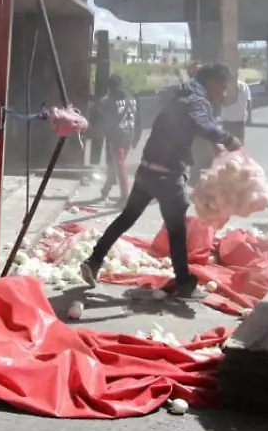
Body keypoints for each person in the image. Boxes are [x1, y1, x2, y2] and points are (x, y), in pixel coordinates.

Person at [79, 62, 242, 300]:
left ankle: (93, 260)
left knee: (126, 218)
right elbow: (202, 122)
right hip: (168, 176)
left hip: (147, 171)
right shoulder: (197, 101)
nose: (225, 94)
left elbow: (188, 125)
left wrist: (215, 146)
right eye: (224, 88)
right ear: (214, 83)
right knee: (177, 232)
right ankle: (185, 283)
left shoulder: (183, 95)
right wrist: (226, 139)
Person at [95, 74, 142, 204]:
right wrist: (137, 137)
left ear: (111, 86)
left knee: (119, 167)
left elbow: (101, 108)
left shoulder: (111, 98)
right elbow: (138, 118)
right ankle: (106, 189)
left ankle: (125, 197)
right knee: (115, 165)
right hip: (130, 134)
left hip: (117, 136)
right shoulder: (132, 95)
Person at [220, 77, 253, 144]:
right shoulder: (224, 86)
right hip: (227, 121)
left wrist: (249, 117)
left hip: (239, 121)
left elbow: (249, 101)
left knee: (239, 144)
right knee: (228, 145)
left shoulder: (244, 86)